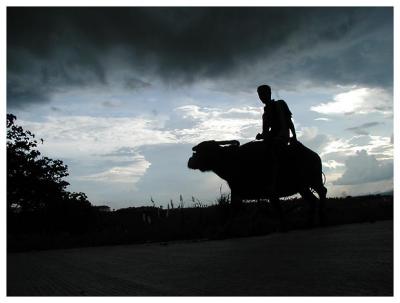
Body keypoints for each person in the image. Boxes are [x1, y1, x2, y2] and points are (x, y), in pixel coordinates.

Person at [255, 84, 297, 195]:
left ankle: (275, 180)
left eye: (264, 94)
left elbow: (288, 121)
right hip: (272, 138)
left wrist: (294, 136)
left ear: (269, 93)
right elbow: (265, 132)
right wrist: (261, 136)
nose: (262, 97)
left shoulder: (280, 104)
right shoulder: (265, 114)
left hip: (282, 137)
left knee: (274, 150)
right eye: (260, 95)